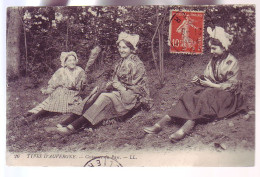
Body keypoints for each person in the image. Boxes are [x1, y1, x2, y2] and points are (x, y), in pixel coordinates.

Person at [144, 26, 245, 142]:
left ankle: (186, 128)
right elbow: (209, 77)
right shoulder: (214, 60)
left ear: (224, 48)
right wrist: (200, 80)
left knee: (205, 96)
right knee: (190, 93)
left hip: (229, 96)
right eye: (211, 48)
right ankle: (162, 122)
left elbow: (233, 86)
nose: (211, 51)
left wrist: (211, 85)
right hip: (214, 89)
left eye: (214, 48)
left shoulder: (232, 62)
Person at [51, 31, 151, 135]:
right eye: (120, 47)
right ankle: (69, 120)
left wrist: (118, 86)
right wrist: (112, 85)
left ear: (131, 49)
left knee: (104, 97)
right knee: (96, 92)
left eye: (124, 48)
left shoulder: (137, 64)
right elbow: (115, 79)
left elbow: (137, 87)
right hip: (120, 92)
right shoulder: (121, 62)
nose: (121, 50)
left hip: (132, 97)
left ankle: (73, 127)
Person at [22, 51, 86, 125]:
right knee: (52, 101)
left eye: (73, 60)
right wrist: (48, 91)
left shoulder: (80, 71)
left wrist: (83, 84)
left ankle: (34, 117)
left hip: (73, 95)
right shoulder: (61, 71)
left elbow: (82, 88)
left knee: (55, 104)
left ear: (76, 61)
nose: (72, 62)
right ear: (65, 63)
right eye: (69, 60)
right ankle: (32, 115)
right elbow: (53, 83)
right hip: (61, 92)